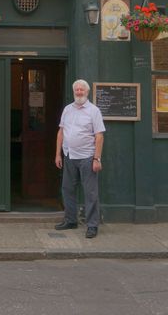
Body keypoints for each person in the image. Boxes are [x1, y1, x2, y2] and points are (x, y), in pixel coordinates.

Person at [54, 79, 105, 238]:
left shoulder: (94, 111)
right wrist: (58, 154)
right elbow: (61, 133)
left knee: (90, 193)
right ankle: (70, 220)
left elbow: (99, 136)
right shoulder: (67, 109)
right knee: (67, 189)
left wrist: (97, 158)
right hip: (69, 156)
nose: (79, 92)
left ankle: (92, 225)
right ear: (73, 91)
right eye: (76, 89)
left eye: (82, 90)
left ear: (87, 92)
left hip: (87, 157)